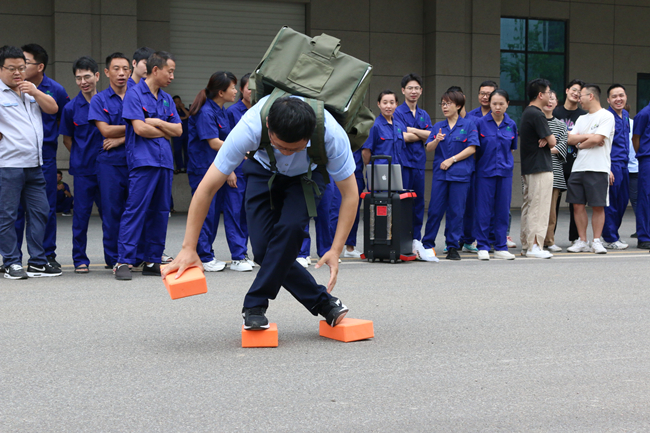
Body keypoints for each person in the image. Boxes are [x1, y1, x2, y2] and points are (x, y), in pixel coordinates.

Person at [162, 96, 359, 331]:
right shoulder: (249, 127)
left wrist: (335, 250)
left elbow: (350, 195)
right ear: (268, 127)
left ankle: (254, 305)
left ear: (310, 135)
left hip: (306, 176)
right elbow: (206, 189)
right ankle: (325, 302)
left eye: (295, 149)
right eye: (281, 146)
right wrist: (188, 247)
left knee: (291, 229)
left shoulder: (331, 136)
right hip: (263, 171)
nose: (287, 153)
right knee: (264, 250)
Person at [114, 51, 182, 280]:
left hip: (164, 163)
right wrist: (165, 130)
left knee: (161, 211)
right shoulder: (134, 94)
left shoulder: (167, 98)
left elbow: (178, 130)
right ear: (155, 70)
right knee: (136, 209)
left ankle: (152, 259)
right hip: (143, 161)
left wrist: (158, 122)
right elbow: (140, 129)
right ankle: (124, 261)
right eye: (169, 71)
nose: (172, 76)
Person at [0, 45, 61, 279]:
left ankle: (37, 261)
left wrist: (35, 92)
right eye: (12, 68)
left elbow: (53, 108)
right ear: (1, 69)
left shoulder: (30, 90)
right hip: (8, 165)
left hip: (35, 164)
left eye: (21, 68)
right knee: (7, 215)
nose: (17, 73)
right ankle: (11, 262)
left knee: (40, 212)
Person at [187, 71, 252, 272]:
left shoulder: (220, 110)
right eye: (232, 88)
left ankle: (207, 254)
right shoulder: (206, 112)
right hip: (203, 168)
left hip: (216, 169)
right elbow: (214, 142)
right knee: (206, 213)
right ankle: (204, 256)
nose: (235, 91)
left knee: (214, 214)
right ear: (221, 92)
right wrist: (239, 151)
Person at [14, 44, 69, 268]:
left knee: (45, 207)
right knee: (15, 208)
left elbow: (63, 117)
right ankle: (12, 257)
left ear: (40, 66)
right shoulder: (11, 86)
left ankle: (47, 255)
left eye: (25, 63)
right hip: (16, 154)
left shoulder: (55, 89)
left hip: (45, 155)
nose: (20, 67)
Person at [419, 90, 478, 261]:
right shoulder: (438, 126)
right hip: (441, 175)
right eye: (443, 104)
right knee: (435, 210)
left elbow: (472, 148)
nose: (444, 107)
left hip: (460, 175)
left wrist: (452, 160)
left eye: (448, 103)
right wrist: (436, 139)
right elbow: (429, 148)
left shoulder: (469, 125)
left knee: (456, 212)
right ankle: (427, 244)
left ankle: (452, 246)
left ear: (458, 106)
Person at [60, 56, 104, 273]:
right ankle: (80, 259)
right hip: (83, 171)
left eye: (87, 77)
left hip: (107, 169)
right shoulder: (70, 108)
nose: (83, 82)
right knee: (81, 215)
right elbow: (67, 139)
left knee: (111, 214)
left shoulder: (108, 103)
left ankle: (114, 258)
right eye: (78, 78)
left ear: (97, 76)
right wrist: (81, 155)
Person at [88, 52, 132, 270]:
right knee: (112, 211)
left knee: (135, 211)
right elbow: (105, 130)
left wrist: (121, 138)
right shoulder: (99, 100)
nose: (121, 73)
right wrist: (135, 127)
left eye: (125, 69)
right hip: (109, 165)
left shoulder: (138, 97)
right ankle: (114, 258)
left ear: (130, 72)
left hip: (135, 162)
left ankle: (133, 255)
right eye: (116, 69)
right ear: (106, 72)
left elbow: (151, 126)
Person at [566, 84, 615, 254]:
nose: (579, 100)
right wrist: (587, 139)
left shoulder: (606, 116)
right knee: (577, 206)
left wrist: (580, 143)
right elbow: (570, 139)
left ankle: (596, 241)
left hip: (598, 168)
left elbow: (598, 139)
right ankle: (582, 240)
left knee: (598, 206)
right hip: (578, 168)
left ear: (591, 96)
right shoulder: (581, 118)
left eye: (581, 96)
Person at [474, 89, 517, 260]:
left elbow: (511, 148)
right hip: (484, 172)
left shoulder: (511, 124)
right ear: (489, 104)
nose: (497, 107)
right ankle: (483, 246)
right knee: (483, 210)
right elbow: (475, 149)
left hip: (505, 173)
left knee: (502, 210)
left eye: (501, 103)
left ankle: (500, 246)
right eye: (494, 104)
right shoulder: (480, 123)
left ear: (507, 104)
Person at [393, 73, 432, 252]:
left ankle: (416, 238)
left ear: (421, 91)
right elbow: (404, 137)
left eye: (416, 88)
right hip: (403, 163)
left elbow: (431, 136)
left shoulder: (424, 114)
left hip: (419, 164)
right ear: (403, 90)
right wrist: (421, 133)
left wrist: (412, 130)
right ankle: (401, 239)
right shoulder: (397, 112)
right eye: (410, 88)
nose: (413, 91)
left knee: (418, 203)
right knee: (402, 202)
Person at [519, 78, 556, 259]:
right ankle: (535, 245)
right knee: (539, 207)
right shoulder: (537, 114)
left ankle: (527, 244)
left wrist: (546, 139)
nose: (550, 96)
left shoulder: (528, 112)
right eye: (548, 93)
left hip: (530, 167)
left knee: (530, 205)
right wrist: (548, 139)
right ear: (540, 95)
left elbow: (548, 140)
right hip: (539, 167)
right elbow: (553, 141)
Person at [226, 72, 255, 268]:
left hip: (254, 171)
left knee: (249, 213)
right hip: (237, 169)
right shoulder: (232, 112)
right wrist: (229, 170)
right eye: (248, 88)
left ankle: (245, 253)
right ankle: (237, 256)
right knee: (235, 212)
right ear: (242, 90)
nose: (252, 91)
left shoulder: (260, 111)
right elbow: (226, 143)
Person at [553, 79, 587, 245]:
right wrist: (573, 137)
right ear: (567, 91)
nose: (576, 93)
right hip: (557, 164)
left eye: (580, 92)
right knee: (553, 204)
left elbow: (585, 139)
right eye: (574, 89)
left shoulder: (584, 115)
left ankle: (575, 238)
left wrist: (569, 138)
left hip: (577, 164)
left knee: (577, 204)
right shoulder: (555, 112)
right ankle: (549, 239)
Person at [602, 84, 631, 249]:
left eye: (621, 95)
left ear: (626, 97)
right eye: (614, 96)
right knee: (611, 203)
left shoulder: (625, 115)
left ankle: (614, 235)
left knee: (622, 201)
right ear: (608, 100)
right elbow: (602, 144)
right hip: (613, 164)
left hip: (624, 164)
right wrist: (607, 168)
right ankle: (609, 238)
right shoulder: (606, 117)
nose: (618, 99)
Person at [542, 90, 568, 253]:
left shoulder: (560, 125)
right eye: (547, 98)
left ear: (557, 103)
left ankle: (549, 240)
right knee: (535, 208)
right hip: (536, 169)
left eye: (553, 99)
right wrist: (551, 147)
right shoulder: (535, 120)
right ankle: (534, 240)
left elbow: (562, 146)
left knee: (551, 211)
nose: (550, 101)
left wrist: (545, 148)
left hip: (555, 171)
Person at [632, 98, 650, 250]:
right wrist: (642, 155)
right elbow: (635, 138)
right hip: (647, 159)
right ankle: (644, 237)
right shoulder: (644, 114)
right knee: (645, 197)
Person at [172, 95, 189, 173]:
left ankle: (186, 167)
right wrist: (185, 118)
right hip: (177, 134)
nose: (178, 103)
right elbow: (177, 118)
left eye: (179, 101)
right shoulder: (172, 111)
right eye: (176, 102)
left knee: (187, 150)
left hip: (186, 133)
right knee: (177, 150)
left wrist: (182, 108)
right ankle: (178, 167)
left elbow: (189, 115)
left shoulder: (185, 109)